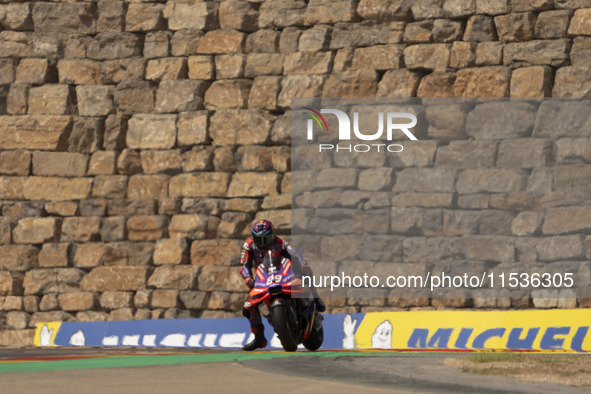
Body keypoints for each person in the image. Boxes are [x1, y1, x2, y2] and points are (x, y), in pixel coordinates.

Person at [239, 219, 326, 351]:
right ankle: (259, 338)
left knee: (307, 270)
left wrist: (302, 265)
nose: (262, 243)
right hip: (264, 278)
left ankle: (316, 298)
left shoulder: (280, 243)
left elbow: (295, 255)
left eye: (265, 239)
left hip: (283, 273)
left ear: (272, 235)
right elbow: (244, 266)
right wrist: (248, 278)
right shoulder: (248, 246)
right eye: (258, 239)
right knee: (248, 307)